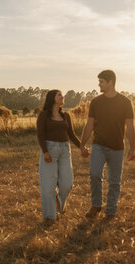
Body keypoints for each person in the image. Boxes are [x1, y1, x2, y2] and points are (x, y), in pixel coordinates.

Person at [80, 70, 135, 219]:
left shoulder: (125, 102)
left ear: (110, 82)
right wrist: (82, 144)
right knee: (95, 174)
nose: (99, 84)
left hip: (117, 147)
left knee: (114, 181)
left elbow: (130, 126)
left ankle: (111, 211)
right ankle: (96, 205)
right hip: (98, 145)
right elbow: (89, 125)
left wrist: (133, 148)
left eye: (101, 82)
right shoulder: (96, 102)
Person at [37, 89, 88, 221]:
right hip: (49, 150)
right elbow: (40, 134)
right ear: (52, 98)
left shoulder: (66, 116)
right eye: (59, 94)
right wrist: (45, 151)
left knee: (67, 183)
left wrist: (82, 147)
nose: (62, 96)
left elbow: (71, 134)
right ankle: (49, 217)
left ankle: (59, 201)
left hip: (65, 150)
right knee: (48, 186)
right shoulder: (43, 115)